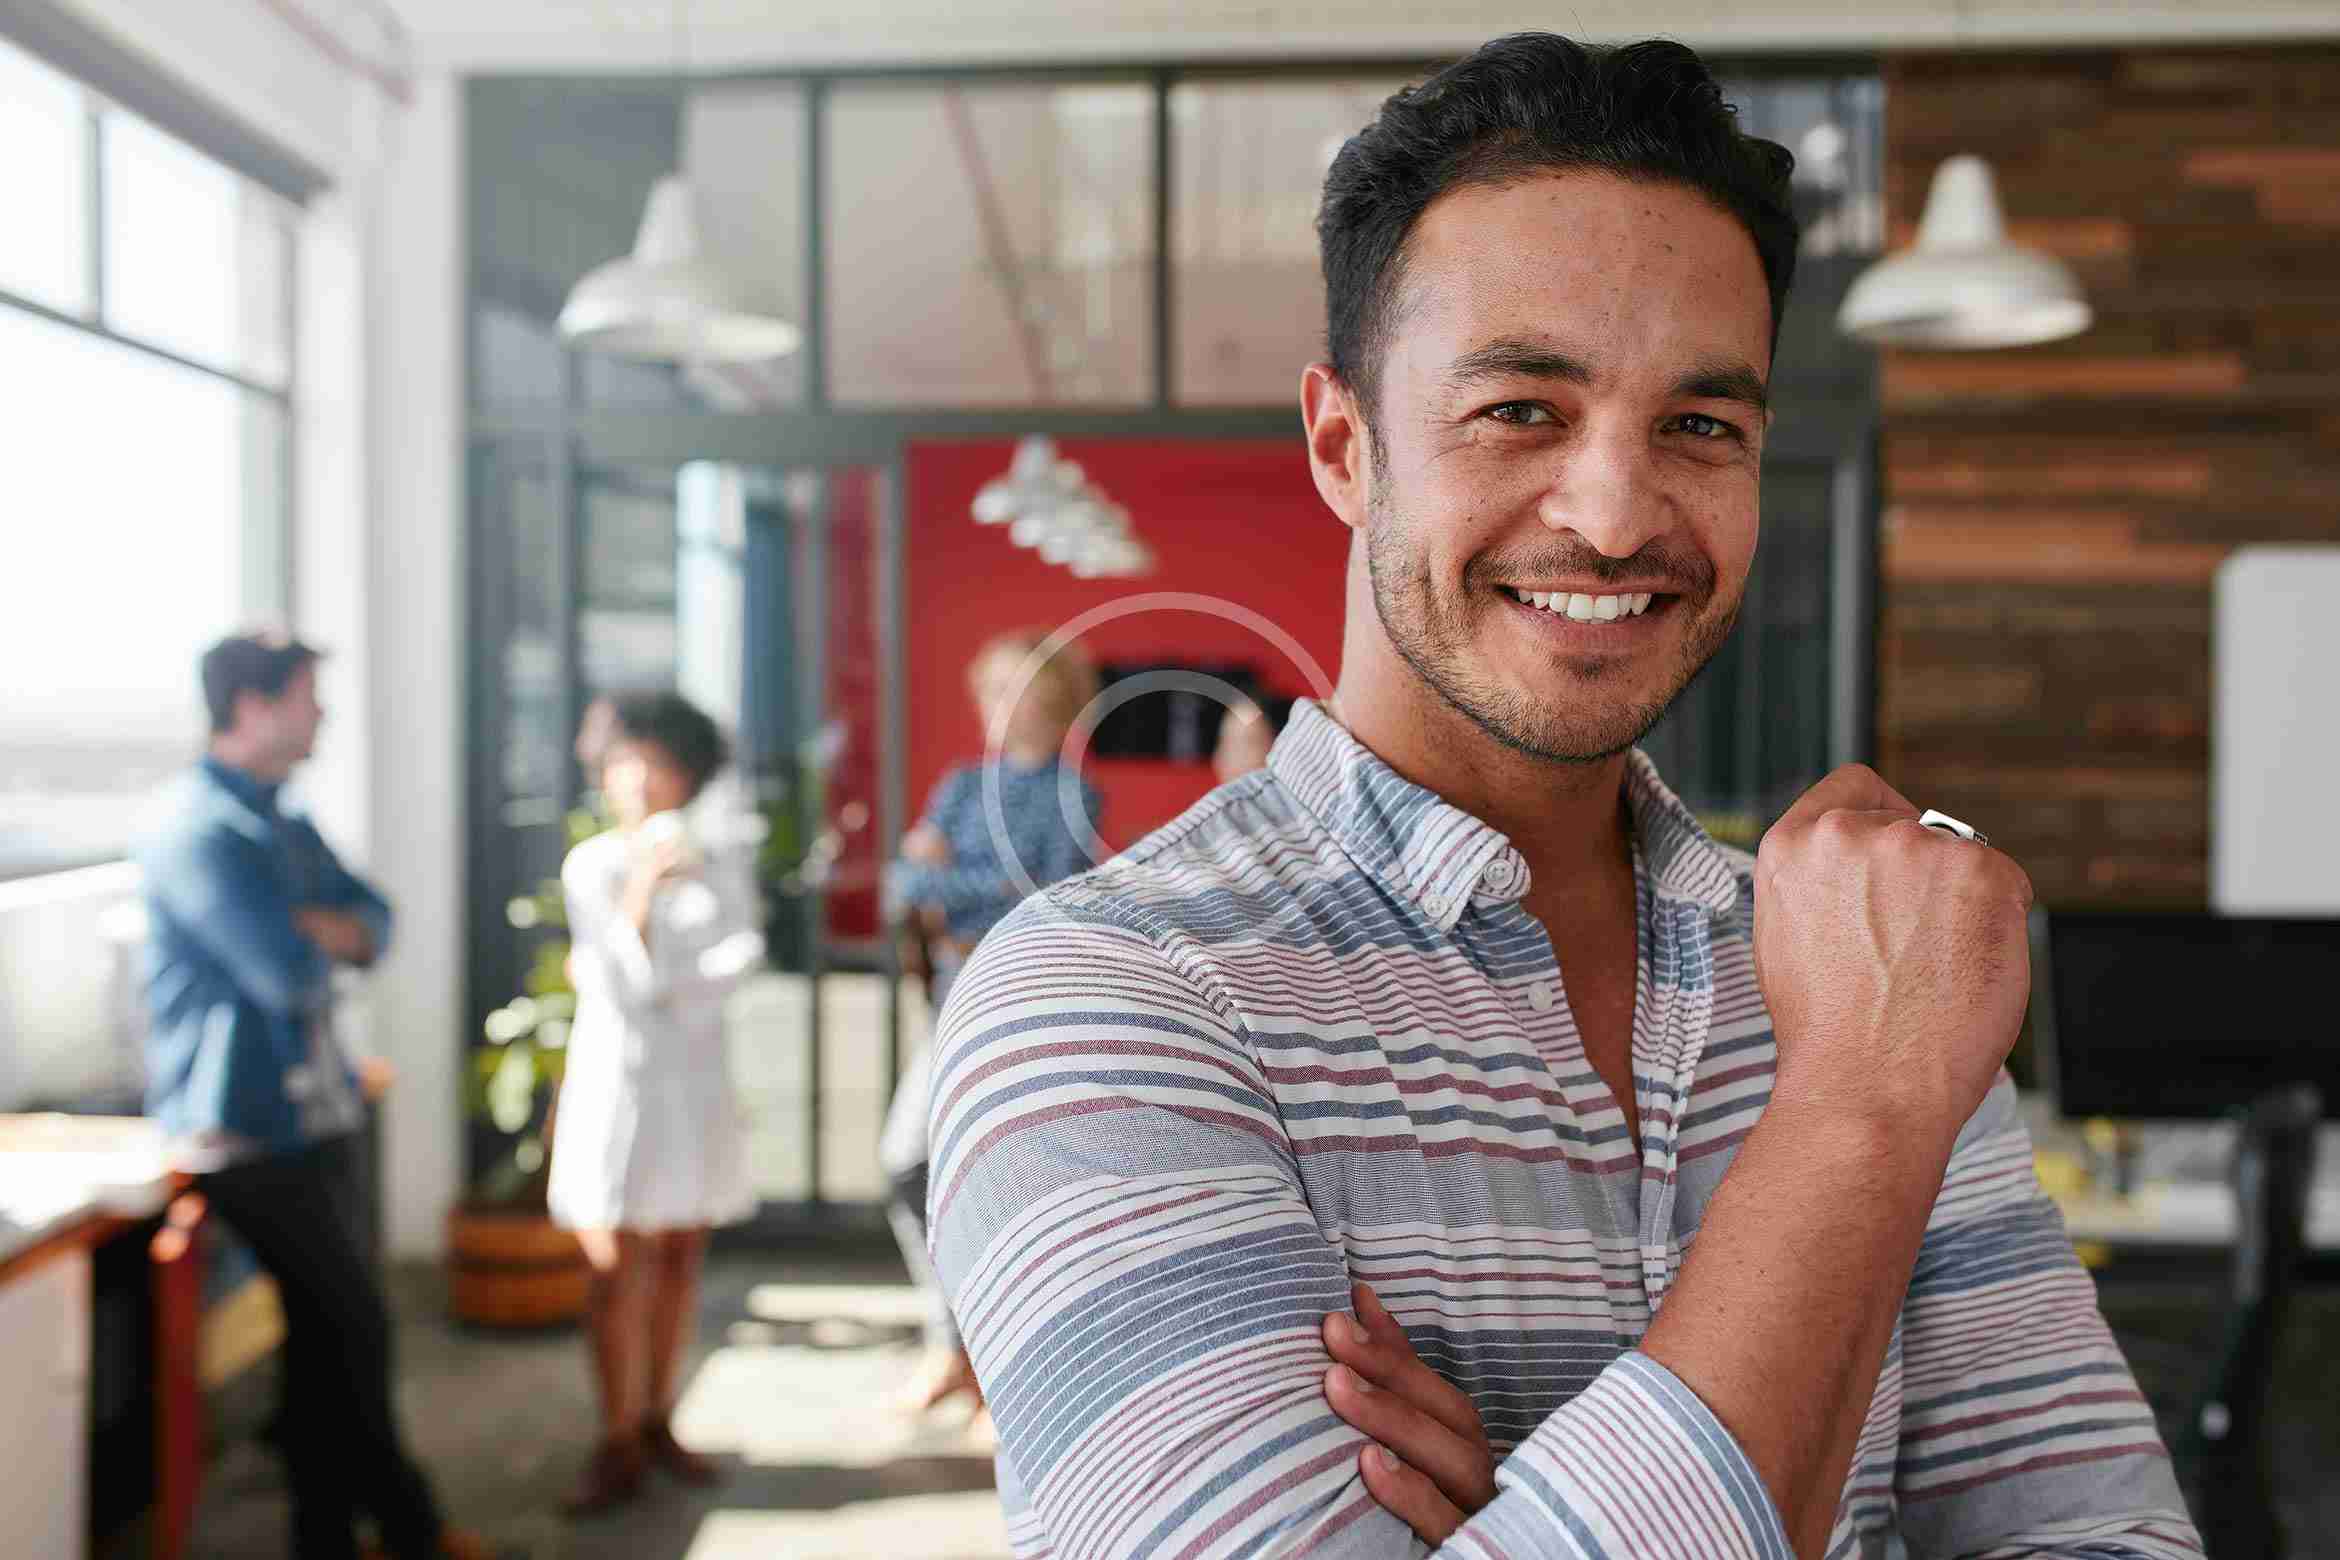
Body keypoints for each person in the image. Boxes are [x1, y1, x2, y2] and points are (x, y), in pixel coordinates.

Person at [925, 36, 2200, 1560]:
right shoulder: (1106, 1000)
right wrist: (1854, 1122)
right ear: (1344, 447)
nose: (1612, 517)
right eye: (1521, 409)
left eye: (1701, 425)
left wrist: (1535, 1513)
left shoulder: (1857, 979)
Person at [135, 631, 492, 1560]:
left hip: (319, 1111)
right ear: (251, 706)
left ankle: (332, 1537)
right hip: (242, 1128)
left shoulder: (281, 820)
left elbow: (377, 920)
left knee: (330, 1345)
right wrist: (320, 932)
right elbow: (286, 975)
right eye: (306, 695)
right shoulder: (197, 830)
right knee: (352, 1328)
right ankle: (410, 1529)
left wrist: (318, 926)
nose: (323, 713)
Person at [548, 691, 766, 1514]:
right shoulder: (593, 865)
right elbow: (613, 981)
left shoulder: (717, 860)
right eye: (623, 763)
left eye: (657, 763)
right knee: (614, 1262)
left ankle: (658, 1417)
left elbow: (740, 959)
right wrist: (641, 895)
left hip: (694, 1081)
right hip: (618, 1083)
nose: (637, 781)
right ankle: (615, 1438)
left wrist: (667, 984)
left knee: (679, 1255)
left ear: (688, 774)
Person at [881, 629, 1105, 1421]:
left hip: (1018, 999)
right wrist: (949, 883)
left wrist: (943, 877)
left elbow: (1042, 899)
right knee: (909, 1165)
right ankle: (955, 1345)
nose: (993, 705)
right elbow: (902, 886)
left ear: (1054, 700)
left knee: (1004, 1178)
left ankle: (992, 1363)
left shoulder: (1074, 796)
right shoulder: (959, 783)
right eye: (987, 688)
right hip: (948, 996)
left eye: (1014, 688)